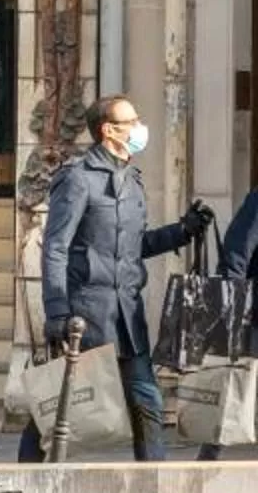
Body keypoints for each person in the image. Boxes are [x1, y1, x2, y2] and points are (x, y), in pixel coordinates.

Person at [20, 93, 210, 462]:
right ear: (109, 130)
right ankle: (25, 480)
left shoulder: (132, 178)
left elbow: (133, 246)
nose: (141, 128)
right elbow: (55, 247)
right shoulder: (77, 179)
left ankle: (154, 492)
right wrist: (57, 311)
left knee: (148, 403)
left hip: (127, 315)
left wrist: (182, 231)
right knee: (57, 407)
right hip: (86, 316)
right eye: (133, 121)